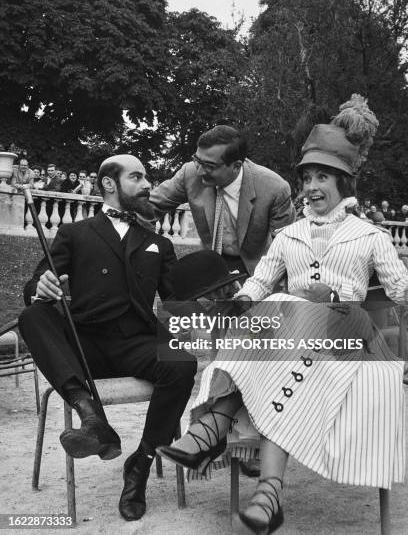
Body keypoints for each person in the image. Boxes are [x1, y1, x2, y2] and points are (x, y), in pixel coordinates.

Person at [157, 95, 408, 534]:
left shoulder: (370, 236)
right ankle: (268, 496)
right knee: (272, 314)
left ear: (344, 182)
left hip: (351, 339)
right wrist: (237, 304)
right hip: (298, 344)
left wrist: (334, 296)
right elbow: (259, 282)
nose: (311, 186)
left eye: (322, 177)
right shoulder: (289, 236)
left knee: (284, 307)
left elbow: (401, 293)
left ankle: (214, 424)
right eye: (307, 177)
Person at [18, 154, 197, 522]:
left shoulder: (157, 243)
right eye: (137, 177)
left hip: (135, 341)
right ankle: (92, 416)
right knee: (33, 315)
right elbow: (36, 283)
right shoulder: (75, 233)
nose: (147, 184)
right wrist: (43, 285)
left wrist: (207, 297)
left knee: (182, 363)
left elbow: (178, 300)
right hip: (85, 345)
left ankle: (140, 464)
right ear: (109, 184)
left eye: (147, 177)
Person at [149, 125, 296, 276]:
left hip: (257, 268)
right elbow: (150, 206)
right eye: (197, 160)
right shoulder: (190, 173)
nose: (199, 171)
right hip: (211, 266)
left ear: (236, 166)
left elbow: (287, 247)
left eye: (209, 166)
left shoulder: (274, 188)